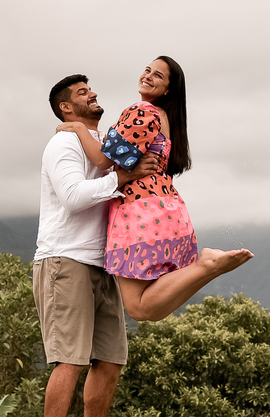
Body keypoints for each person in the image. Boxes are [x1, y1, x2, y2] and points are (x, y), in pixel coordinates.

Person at [56, 56, 253, 322]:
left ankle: (206, 264)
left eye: (158, 76)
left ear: (169, 89)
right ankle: (208, 268)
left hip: (140, 214)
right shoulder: (164, 117)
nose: (148, 76)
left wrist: (79, 128)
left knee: (138, 307)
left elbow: (103, 160)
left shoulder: (143, 111)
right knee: (149, 309)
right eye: (148, 70)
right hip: (166, 211)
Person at [35, 74, 158, 417]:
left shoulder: (97, 143)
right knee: (69, 358)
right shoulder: (63, 144)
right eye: (83, 93)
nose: (93, 94)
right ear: (66, 108)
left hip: (103, 263)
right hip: (64, 260)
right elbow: (72, 197)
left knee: (111, 357)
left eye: (92, 89)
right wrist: (119, 180)